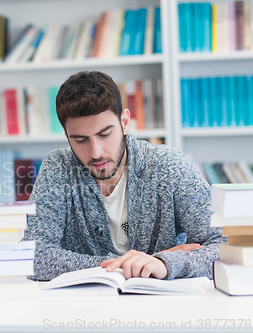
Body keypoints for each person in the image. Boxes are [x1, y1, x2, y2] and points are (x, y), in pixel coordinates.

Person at [24, 71, 224, 281]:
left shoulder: (169, 166)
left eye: (104, 134)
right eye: (81, 140)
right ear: (66, 136)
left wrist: (167, 264)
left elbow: (224, 245)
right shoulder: (58, 168)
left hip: (165, 306)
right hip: (85, 306)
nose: (96, 152)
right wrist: (135, 264)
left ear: (125, 122)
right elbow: (33, 256)